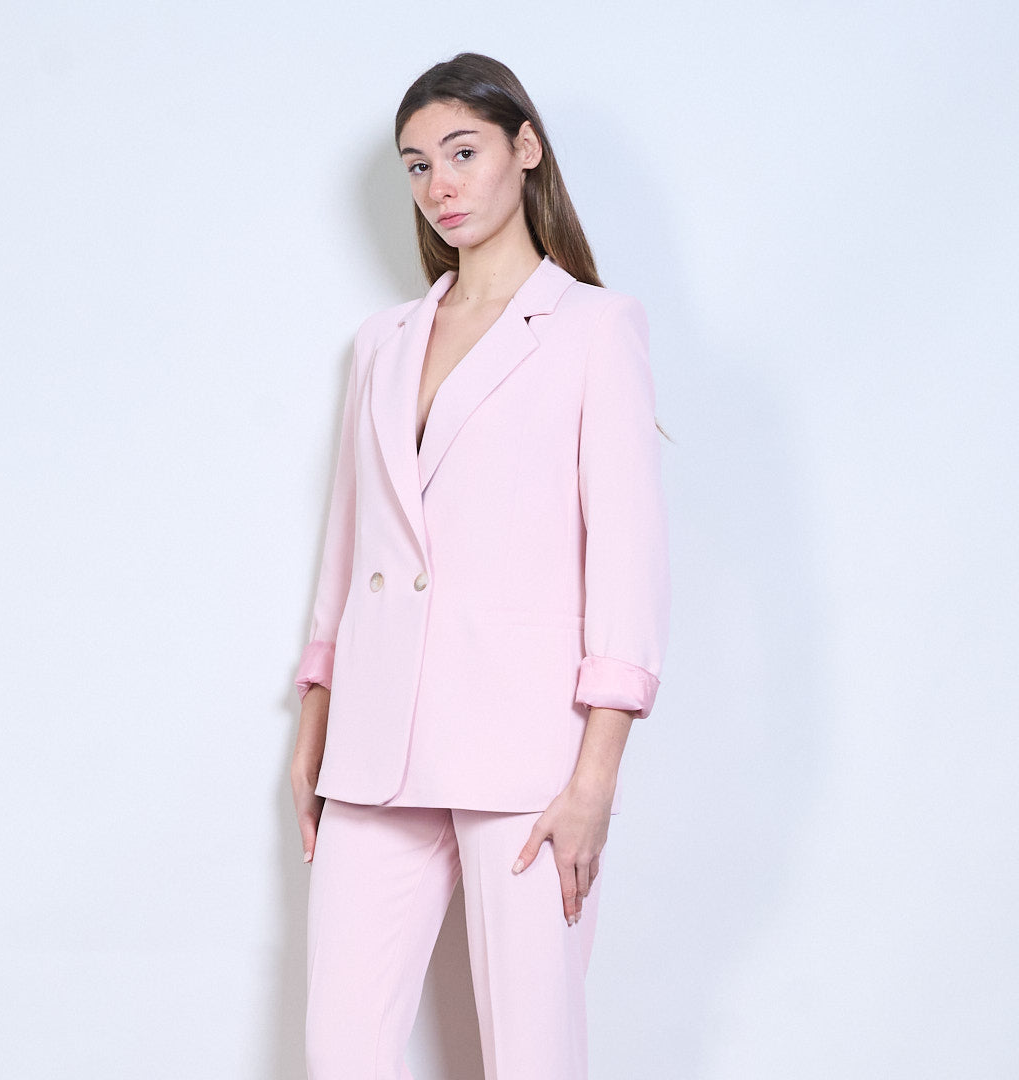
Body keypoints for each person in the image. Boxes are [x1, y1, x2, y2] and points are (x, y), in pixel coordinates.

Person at [290, 52, 670, 1080]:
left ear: (526, 147)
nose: (440, 185)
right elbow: (350, 543)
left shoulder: (594, 328)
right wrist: (317, 716)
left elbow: (628, 564)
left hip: (529, 758)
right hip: (375, 747)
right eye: (417, 165)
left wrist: (595, 780)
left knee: (532, 1055)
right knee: (341, 1051)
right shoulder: (382, 342)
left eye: (462, 152)